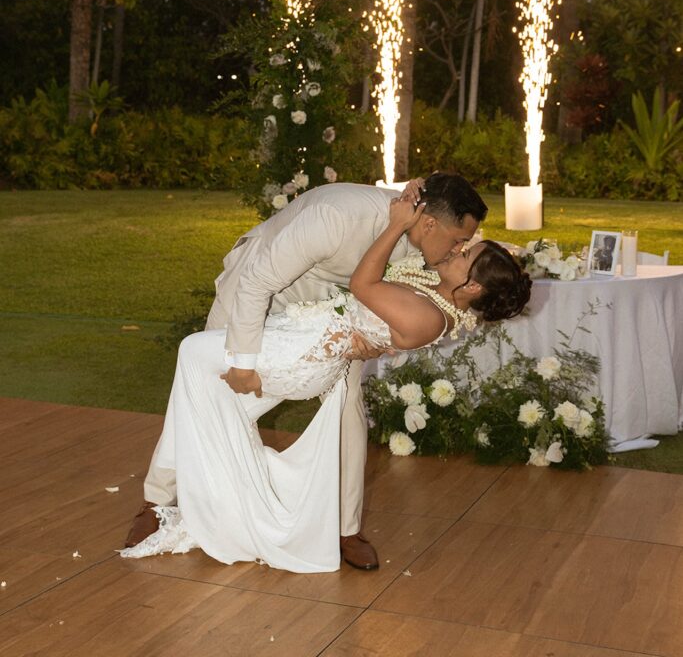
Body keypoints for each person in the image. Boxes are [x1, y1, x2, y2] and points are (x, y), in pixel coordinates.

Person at [121, 197, 531, 573]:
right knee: (209, 397)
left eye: (466, 247)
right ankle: (163, 500)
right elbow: (261, 281)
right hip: (264, 292)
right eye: (460, 240)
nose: (458, 247)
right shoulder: (342, 217)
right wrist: (245, 363)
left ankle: (343, 529)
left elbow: (378, 295)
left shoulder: (430, 258)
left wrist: (388, 334)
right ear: (429, 223)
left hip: (318, 342)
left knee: (203, 368)